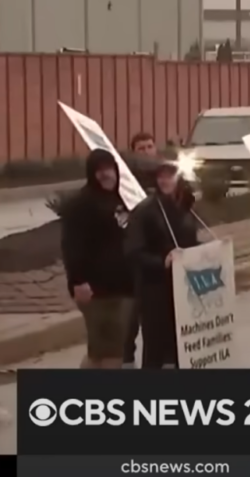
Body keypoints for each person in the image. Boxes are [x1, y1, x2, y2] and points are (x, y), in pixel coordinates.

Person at [61, 149, 135, 369]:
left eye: (109, 169)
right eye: (99, 170)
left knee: (99, 352)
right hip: (97, 291)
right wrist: (78, 281)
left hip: (121, 287)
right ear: (91, 173)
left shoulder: (119, 199)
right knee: (111, 353)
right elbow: (71, 246)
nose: (106, 175)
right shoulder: (81, 204)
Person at [124, 160, 200, 368]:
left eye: (171, 175)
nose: (166, 180)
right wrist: (161, 262)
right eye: (161, 176)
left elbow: (188, 242)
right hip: (154, 291)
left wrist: (210, 253)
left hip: (183, 290)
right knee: (156, 349)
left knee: (180, 347)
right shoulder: (145, 211)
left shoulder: (184, 208)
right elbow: (133, 251)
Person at [123, 131, 158, 367]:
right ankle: (127, 359)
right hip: (134, 260)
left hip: (159, 257)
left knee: (156, 318)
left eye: (149, 146)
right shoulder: (127, 182)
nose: (146, 152)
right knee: (131, 315)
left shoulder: (165, 177)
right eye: (141, 148)